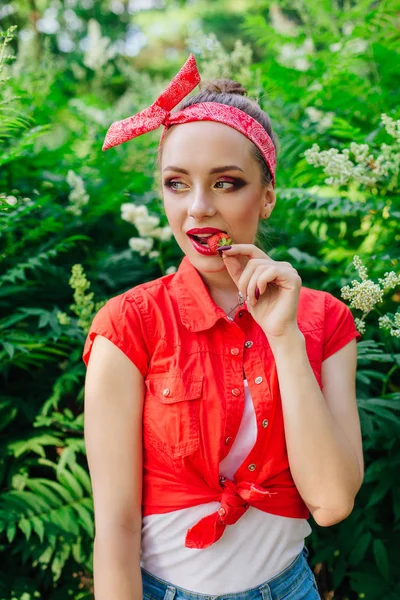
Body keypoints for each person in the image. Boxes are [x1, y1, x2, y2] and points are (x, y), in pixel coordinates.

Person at [82, 54, 364, 600]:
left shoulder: (325, 319)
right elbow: (114, 529)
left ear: (268, 196)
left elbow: (332, 502)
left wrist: (284, 337)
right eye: (177, 184)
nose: (198, 209)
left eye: (227, 183)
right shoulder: (128, 325)